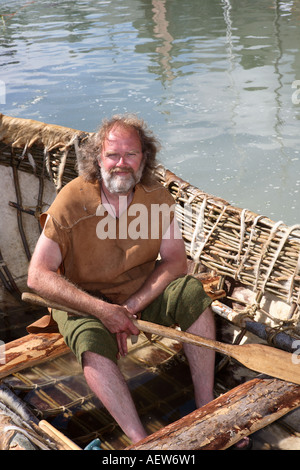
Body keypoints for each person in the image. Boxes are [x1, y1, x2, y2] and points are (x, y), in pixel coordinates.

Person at [27, 114, 215, 445]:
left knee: (191, 293)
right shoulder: (72, 200)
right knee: (91, 344)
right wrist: (102, 311)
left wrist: (130, 307)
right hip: (83, 300)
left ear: (145, 158)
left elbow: (174, 262)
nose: (121, 164)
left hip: (138, 294)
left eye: (131, 154)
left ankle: (207, 405)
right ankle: (141, 440)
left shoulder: (156, 197)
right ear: (97, 158)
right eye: (113, 155)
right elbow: (37, 276)